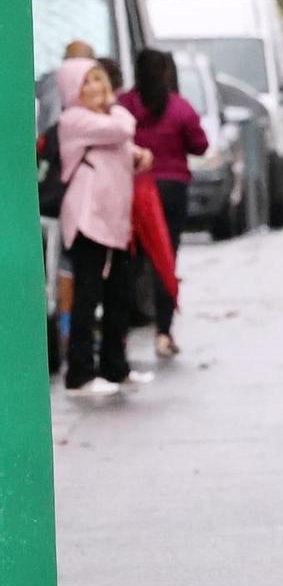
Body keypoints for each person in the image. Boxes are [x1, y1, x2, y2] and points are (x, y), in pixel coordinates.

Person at [55, 58, 153, 396]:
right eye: (87, 82)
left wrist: (140, 157)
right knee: (87, 295)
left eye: (99, 80)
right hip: (88, 221)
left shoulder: (102, 119)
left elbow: (125, 148)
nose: (97, 88)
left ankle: (115, 367)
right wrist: (116, 109)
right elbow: (123, 129)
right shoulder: (75, 120)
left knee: (118, 296)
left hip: (114, 224)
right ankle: (79, 374)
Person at [119, 48, 208, 359]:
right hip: (171, 190)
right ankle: (164, 331)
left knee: (129, 261)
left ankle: (120, 335)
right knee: (165, 259)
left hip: (134, 189)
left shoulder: (125, 105)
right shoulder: (179, 108)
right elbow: (200, 144)